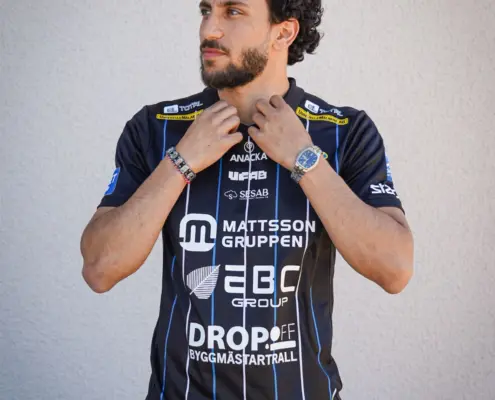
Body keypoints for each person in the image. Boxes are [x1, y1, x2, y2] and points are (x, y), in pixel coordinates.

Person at [80, 0, 414, 398]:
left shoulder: (344, 131)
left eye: (233, 12)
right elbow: (99, 269)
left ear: (283, 32)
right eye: (206, 10)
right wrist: (180, 162)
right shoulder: (156, 128)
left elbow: (395, 270)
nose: (209, 30)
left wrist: (305, 160)